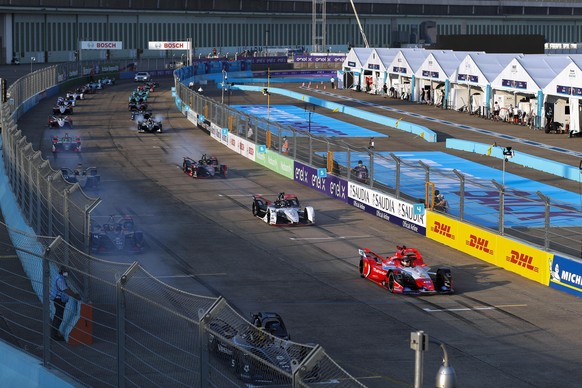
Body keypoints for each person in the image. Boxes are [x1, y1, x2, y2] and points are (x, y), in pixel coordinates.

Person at [50, 266, 81, 341]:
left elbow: (67, 288)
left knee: (58, 317)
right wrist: (75, 296)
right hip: (59, 300)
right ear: (62, 271)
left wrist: (74, 294)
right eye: (66, 271)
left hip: (60, 300)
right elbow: (66, 290)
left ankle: (54, 333)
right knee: (58, 317)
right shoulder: (60, 280)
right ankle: (54, 335)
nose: (67, 273)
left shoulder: (61, 278)